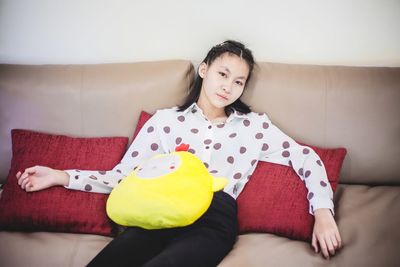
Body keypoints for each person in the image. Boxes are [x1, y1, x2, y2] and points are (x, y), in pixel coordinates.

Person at [16, 40, 342, 266]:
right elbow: (123, 177)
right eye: (222, 74)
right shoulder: (166, 121)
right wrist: (61, 176)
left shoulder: (254, 126)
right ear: (204, 70)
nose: (228, 87)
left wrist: (323, 213)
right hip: (160, 214)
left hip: (214, 217)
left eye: (239, 81)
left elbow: (305, 157)